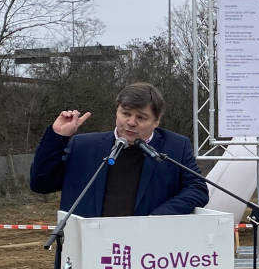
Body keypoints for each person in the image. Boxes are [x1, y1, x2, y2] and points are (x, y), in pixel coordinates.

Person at [30, 82, 208, 217]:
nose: (131, 122)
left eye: (141, 117)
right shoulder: (83, 146)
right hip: (89, 249)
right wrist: (57, 137)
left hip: (148, 252)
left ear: (156, 121)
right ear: (117, 112)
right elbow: (41, 183)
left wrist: (158, 218)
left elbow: (197, 189)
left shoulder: (175, 147)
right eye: (126, 114)